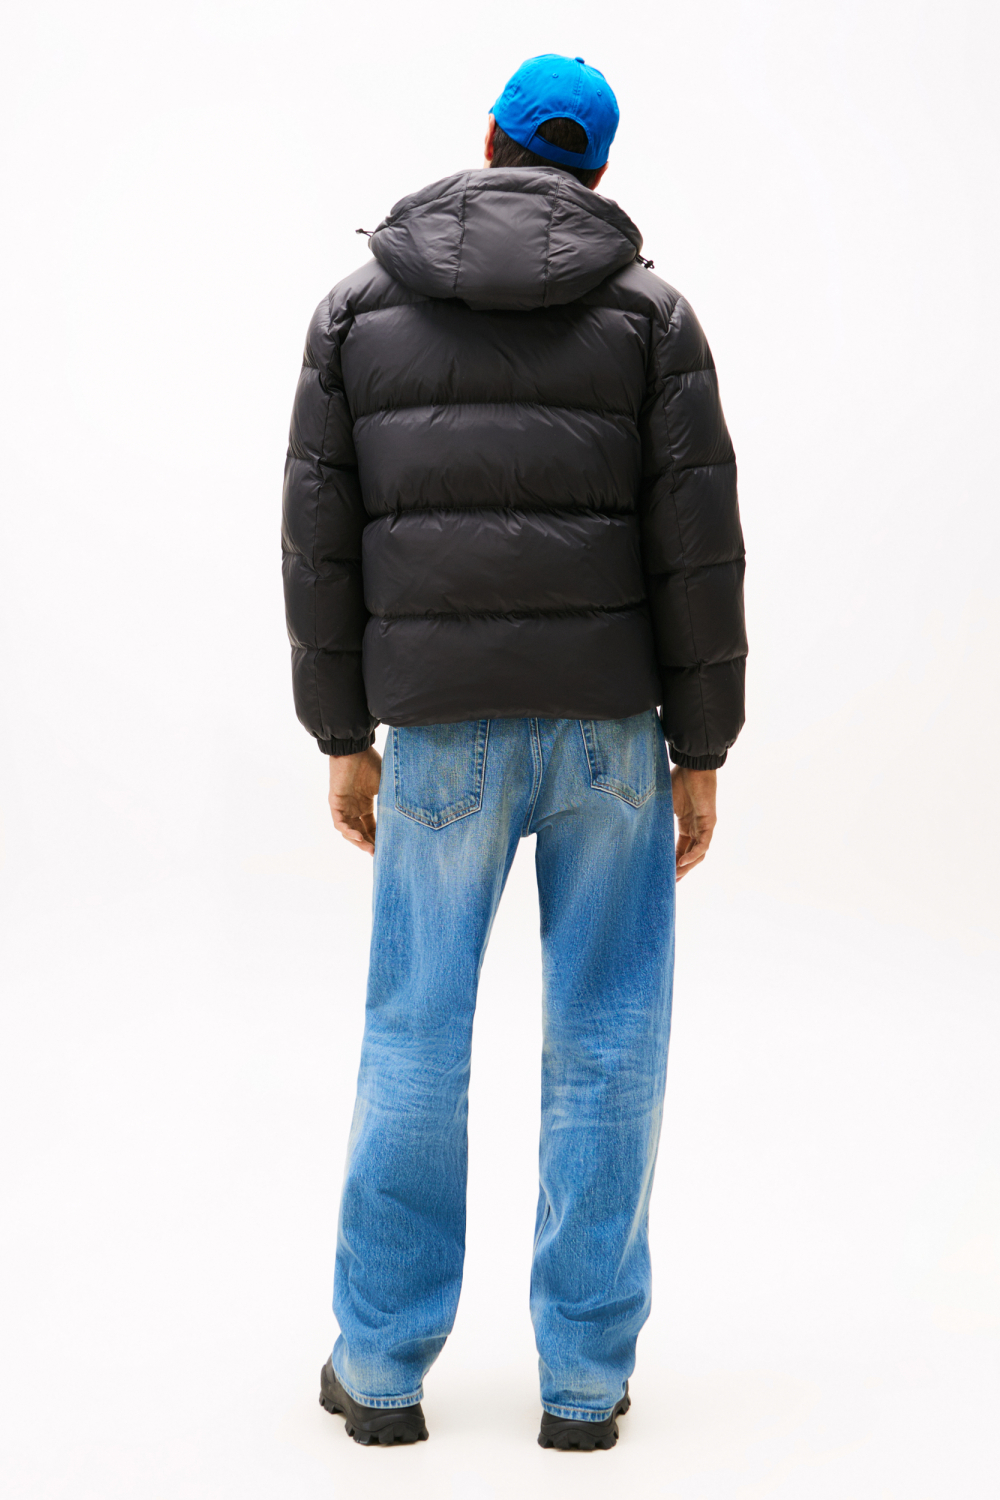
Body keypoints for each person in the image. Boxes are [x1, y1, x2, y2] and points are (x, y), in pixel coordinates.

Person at [281, 52, 746, 1452]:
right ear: (595, 172)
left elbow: (318, 543)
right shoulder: (654, 318)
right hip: (610, 733)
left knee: (413, 1037)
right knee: (608, 1043)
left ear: (486, 141)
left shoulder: (356, 310)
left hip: (438, 736)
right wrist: (701, 748)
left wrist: (342, 735)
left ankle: (380, 1371)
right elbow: (700, 549)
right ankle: (585, 1387)